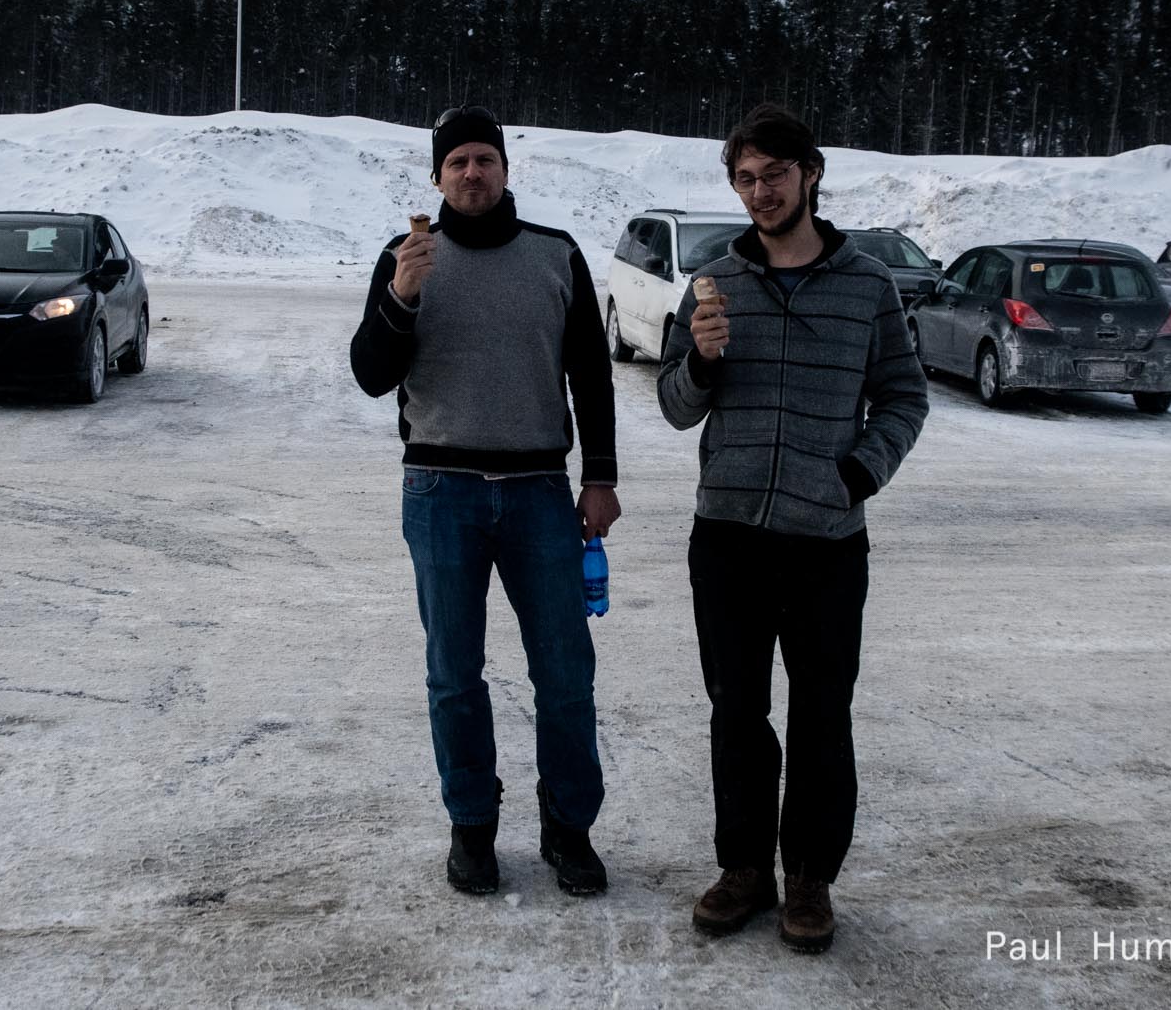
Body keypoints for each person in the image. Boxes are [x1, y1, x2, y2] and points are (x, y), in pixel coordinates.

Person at [656, 105, 928, 952]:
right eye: (745, 178)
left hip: (826, 543)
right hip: (728, 536)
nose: (760, 191)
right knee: (736, 709)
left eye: (774, 173)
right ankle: (744, 868)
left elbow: (905, 396)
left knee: (821, 713)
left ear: (810, 172)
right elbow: (673, 406)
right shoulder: (713, 281)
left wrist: (858, 473)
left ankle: (809, 876)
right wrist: (701, 361)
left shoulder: (867, 284)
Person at [350, 105, 621, 897]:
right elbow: (370, 373)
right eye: (458, 161)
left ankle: (569, 826)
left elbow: (591, 372)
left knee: (565, 671)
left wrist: (600, 476)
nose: (472, 172)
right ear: (437, 176)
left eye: (485, 159)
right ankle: (472, 825)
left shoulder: (555, 254)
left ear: (505, 168)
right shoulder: (405, 257)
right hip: (441, 490)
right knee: (453, 673)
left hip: (540, 489)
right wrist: (402, 295)